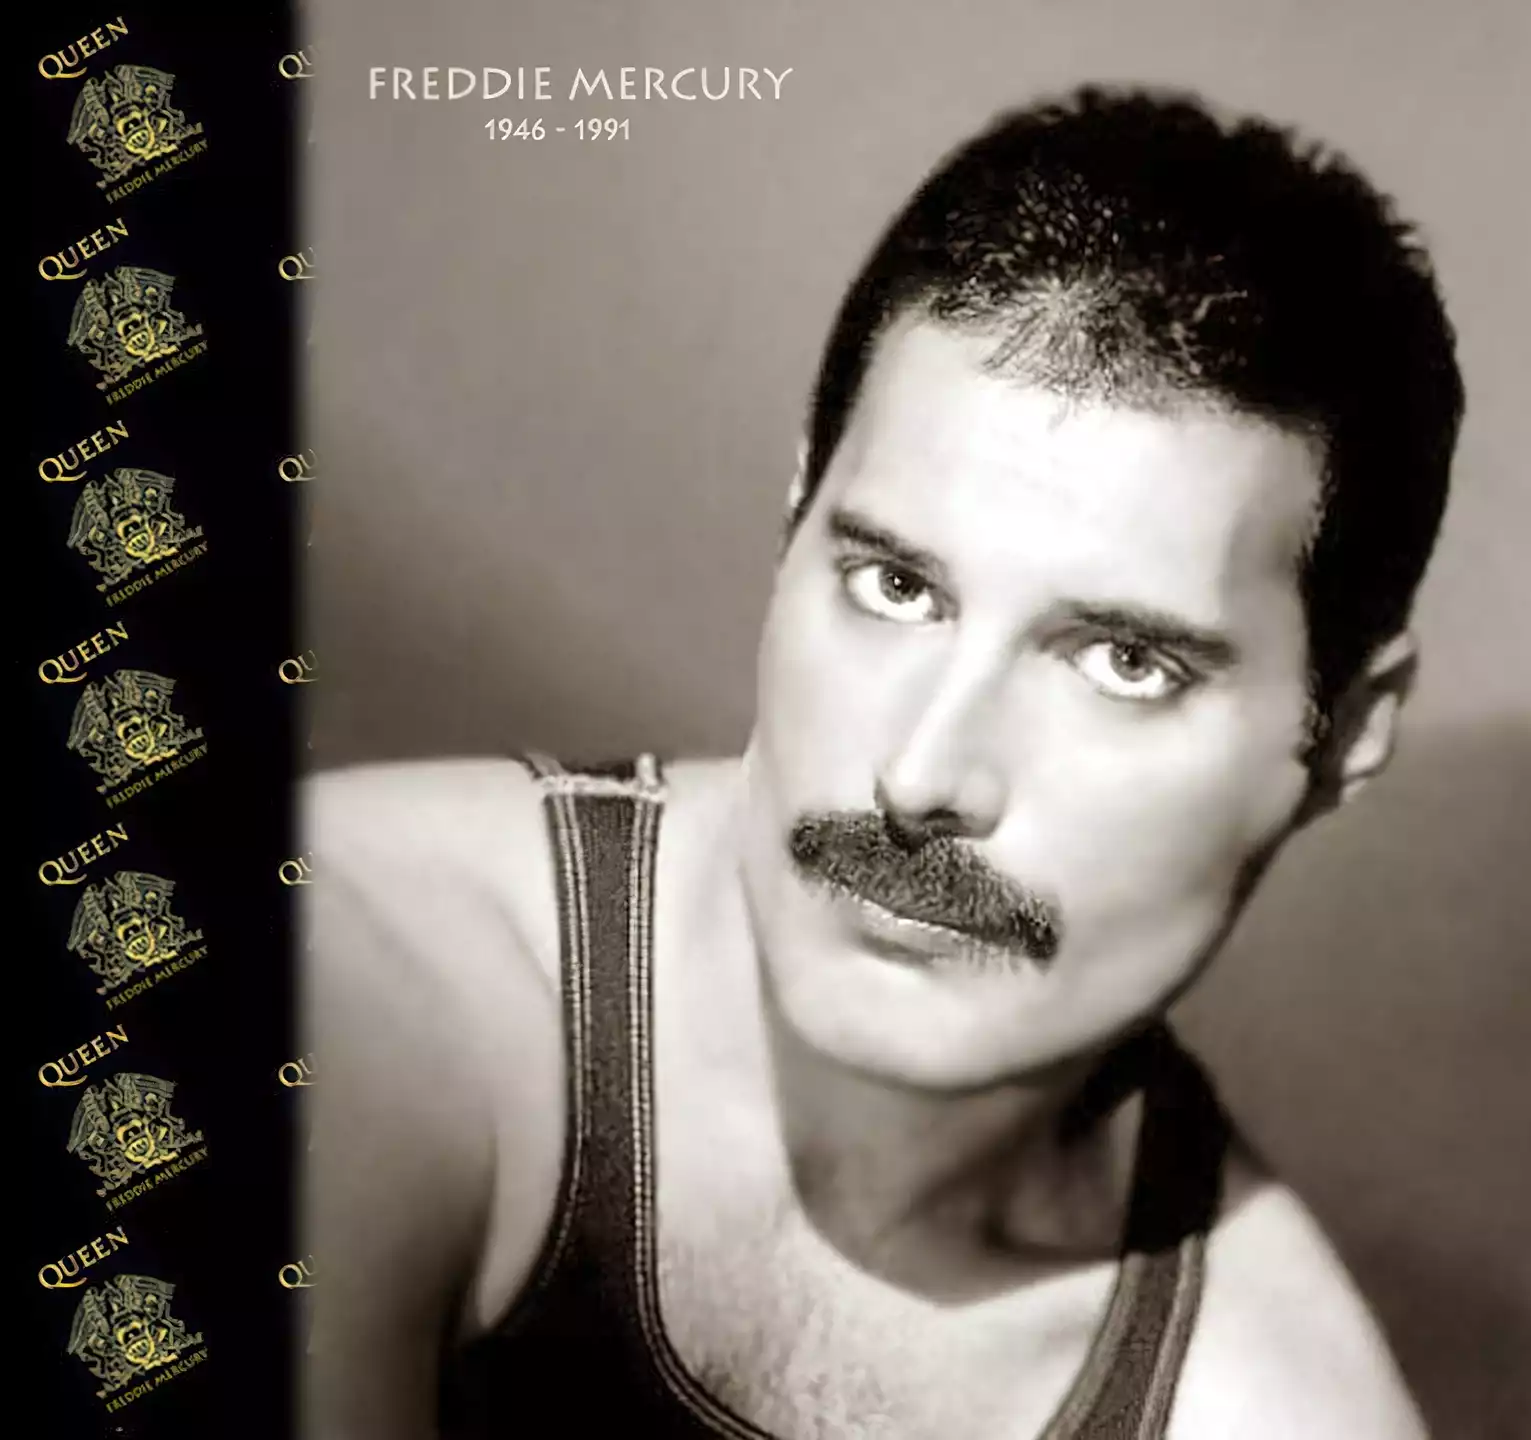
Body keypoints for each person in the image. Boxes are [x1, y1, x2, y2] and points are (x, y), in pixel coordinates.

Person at [301, 83, 1462, 1440]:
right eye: (896, 587)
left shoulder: (1273, 1405)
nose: (921, 775)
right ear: (795, 519)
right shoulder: (354, 988)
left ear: (1346, 732)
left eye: (1123, 662)